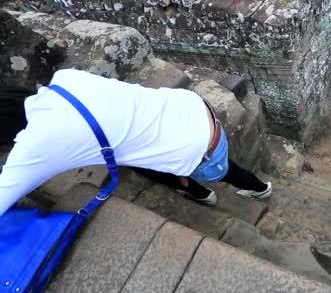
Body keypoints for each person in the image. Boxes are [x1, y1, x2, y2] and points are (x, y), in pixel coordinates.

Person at [0, 69, 271, 216]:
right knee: (137, 156)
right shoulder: (65, 77)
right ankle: (253, 189)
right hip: (193, 107)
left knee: (221, 171)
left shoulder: (36, 146)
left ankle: (221, 193)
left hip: (199, 149)